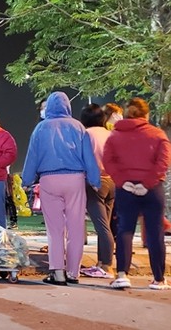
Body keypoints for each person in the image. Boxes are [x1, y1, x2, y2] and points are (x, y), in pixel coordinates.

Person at [21, 91, 100, 286]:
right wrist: (95, 180)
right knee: (76, 227)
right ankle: (73, 273)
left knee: (54, 229)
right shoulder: (78, 127)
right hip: (75, 180)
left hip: (49, 180)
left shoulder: (40, 128)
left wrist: (26, 179)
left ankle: (57, 273)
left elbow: (32, 157)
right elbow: (88, 157)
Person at [103, 98, 171, 290]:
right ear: (146, 115)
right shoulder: (157, 134)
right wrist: (147, 183)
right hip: (152, 189)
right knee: (155, 232)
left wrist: (123, 181)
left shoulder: (115, 136)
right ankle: (158, 279)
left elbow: (108, 161)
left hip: (126, 189)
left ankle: (122, 274)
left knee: (125, 230)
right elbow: (164, 161)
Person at [78, 103, 115, 279]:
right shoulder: (110, 134)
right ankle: (102, 263)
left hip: (95, 183)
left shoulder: (86, 135)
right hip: (112, 182)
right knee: (105, 225)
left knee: (102, 227)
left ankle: (107, 266)